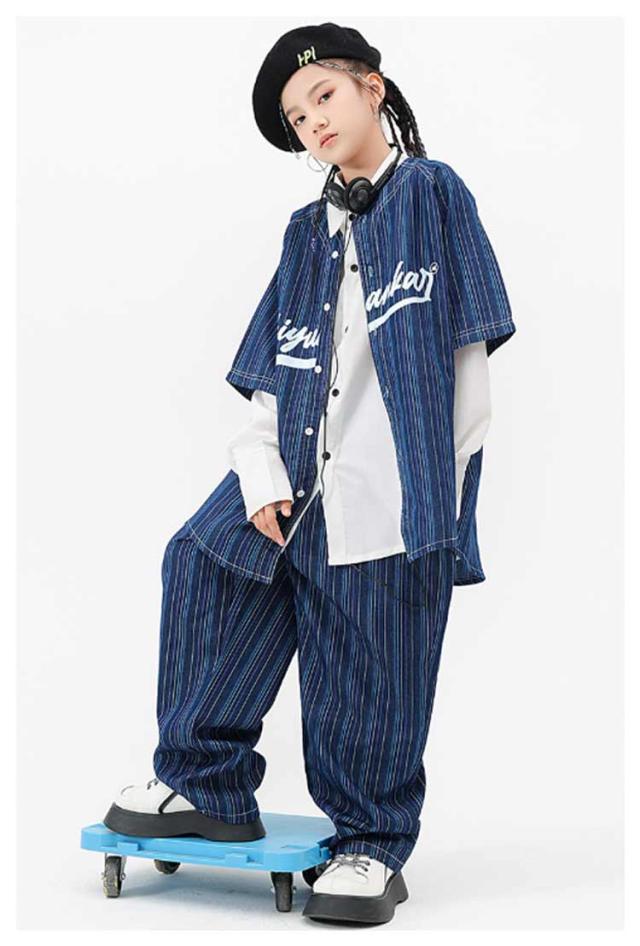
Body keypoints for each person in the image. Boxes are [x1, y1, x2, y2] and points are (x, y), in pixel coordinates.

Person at [103, 22, 516, 925]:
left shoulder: (433, 194)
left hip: (393, 488)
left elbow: (468, 353)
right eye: (296, 118)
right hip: (294, 477)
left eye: (322, 96)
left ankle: (370, 844)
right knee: (203, 560)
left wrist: (442, 496)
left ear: (372, 87)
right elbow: (270, 369)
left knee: (369, 666)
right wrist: (257, 472)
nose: (313, 122)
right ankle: (206, 784)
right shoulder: (305, 233)